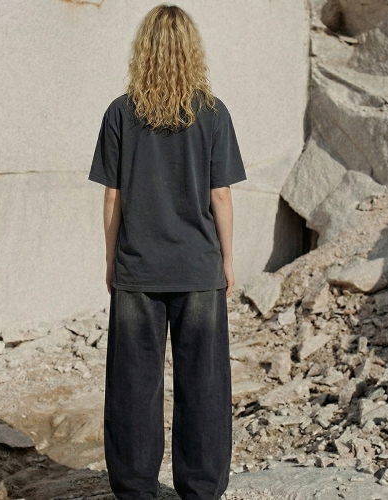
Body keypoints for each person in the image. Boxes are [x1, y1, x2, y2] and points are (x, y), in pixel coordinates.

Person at [88, 4, 247, 499]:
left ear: (143, 51)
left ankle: (136, 489)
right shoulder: (213, 112)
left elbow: (112, 197)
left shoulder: (120, 112)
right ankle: (201, 489)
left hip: (138, 269)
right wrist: (227, 259)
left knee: (133, 386)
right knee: (204, 385)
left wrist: (112, 260)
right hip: (198, 268)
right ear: (192, 51)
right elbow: (221, 195)